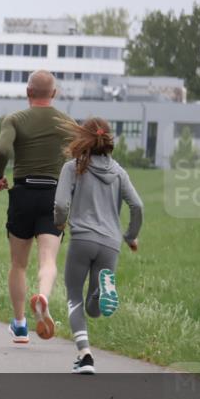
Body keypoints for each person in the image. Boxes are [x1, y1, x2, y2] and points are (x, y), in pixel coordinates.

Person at [0, 70, 76, 344]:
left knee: (18, 263)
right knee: (48, 259)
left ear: (28, 92)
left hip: (24, 192)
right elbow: (79, 157)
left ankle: (19, 325)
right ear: (54, 93)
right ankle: (43, 296)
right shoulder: (67, 123)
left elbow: (3, 150)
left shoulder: (15, 119)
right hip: (54, 194)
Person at [54, 118, 143, 374]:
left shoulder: (73, 168)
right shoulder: (119, 172)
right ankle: (103, 290)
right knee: (95, 308)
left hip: (82, 239)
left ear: (83, 139)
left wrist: (60, 224)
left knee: (73, 296)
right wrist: (130, 236)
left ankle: (85, 354)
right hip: (111, 244)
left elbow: (61, 205)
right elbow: (137, 206)